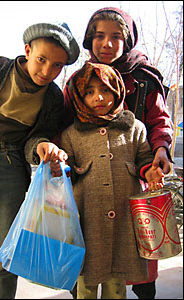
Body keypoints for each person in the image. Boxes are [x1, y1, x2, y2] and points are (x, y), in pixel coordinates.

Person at [0, 21, 79, 299]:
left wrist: (41, 147)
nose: (48, 71)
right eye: (42, 60)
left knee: (6, 251)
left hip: (10, 167)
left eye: (58, 66)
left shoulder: (52, 97)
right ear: (27, 50)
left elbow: (37, 139)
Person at [61, 7, 173, 299]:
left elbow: (160, 121)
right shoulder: (76, 82)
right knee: (86, 265)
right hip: (87, 195)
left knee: (138, 258)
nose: (107, 43)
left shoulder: (144, 78)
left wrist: (160, 151)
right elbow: (61, 128)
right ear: (89, 40)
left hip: (135, 182)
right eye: (99, 36)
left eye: (115, 37)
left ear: (128, 41)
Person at [51, 61, 165, 299]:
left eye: (105, 90)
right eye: (89, 92)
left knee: (116, 284)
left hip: (123, 220)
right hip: (87, 221)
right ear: (80, 98)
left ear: (117, 90)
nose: (98, 97)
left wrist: (151, 171)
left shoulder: (134, 128)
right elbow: (66, 171)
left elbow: (144, 157)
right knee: (86, 283)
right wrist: (58, 167)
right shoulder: (71, 134)